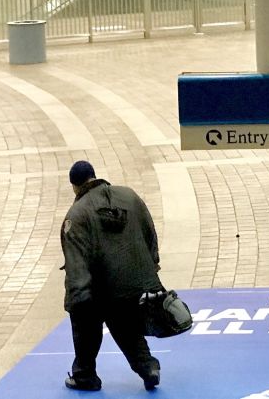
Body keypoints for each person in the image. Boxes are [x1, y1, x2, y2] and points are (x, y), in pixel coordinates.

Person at [61, 160, 163, 392]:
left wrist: (77, 300)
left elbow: (76, 262)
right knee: (126, 326)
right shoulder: (129, 196)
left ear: (75, 187)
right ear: (94, 176)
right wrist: (151, 269)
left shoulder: (76, 215)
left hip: (100, 288)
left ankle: (85, 376)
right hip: (134, 281)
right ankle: (148, 367)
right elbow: (150, 232)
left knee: (87, 329)